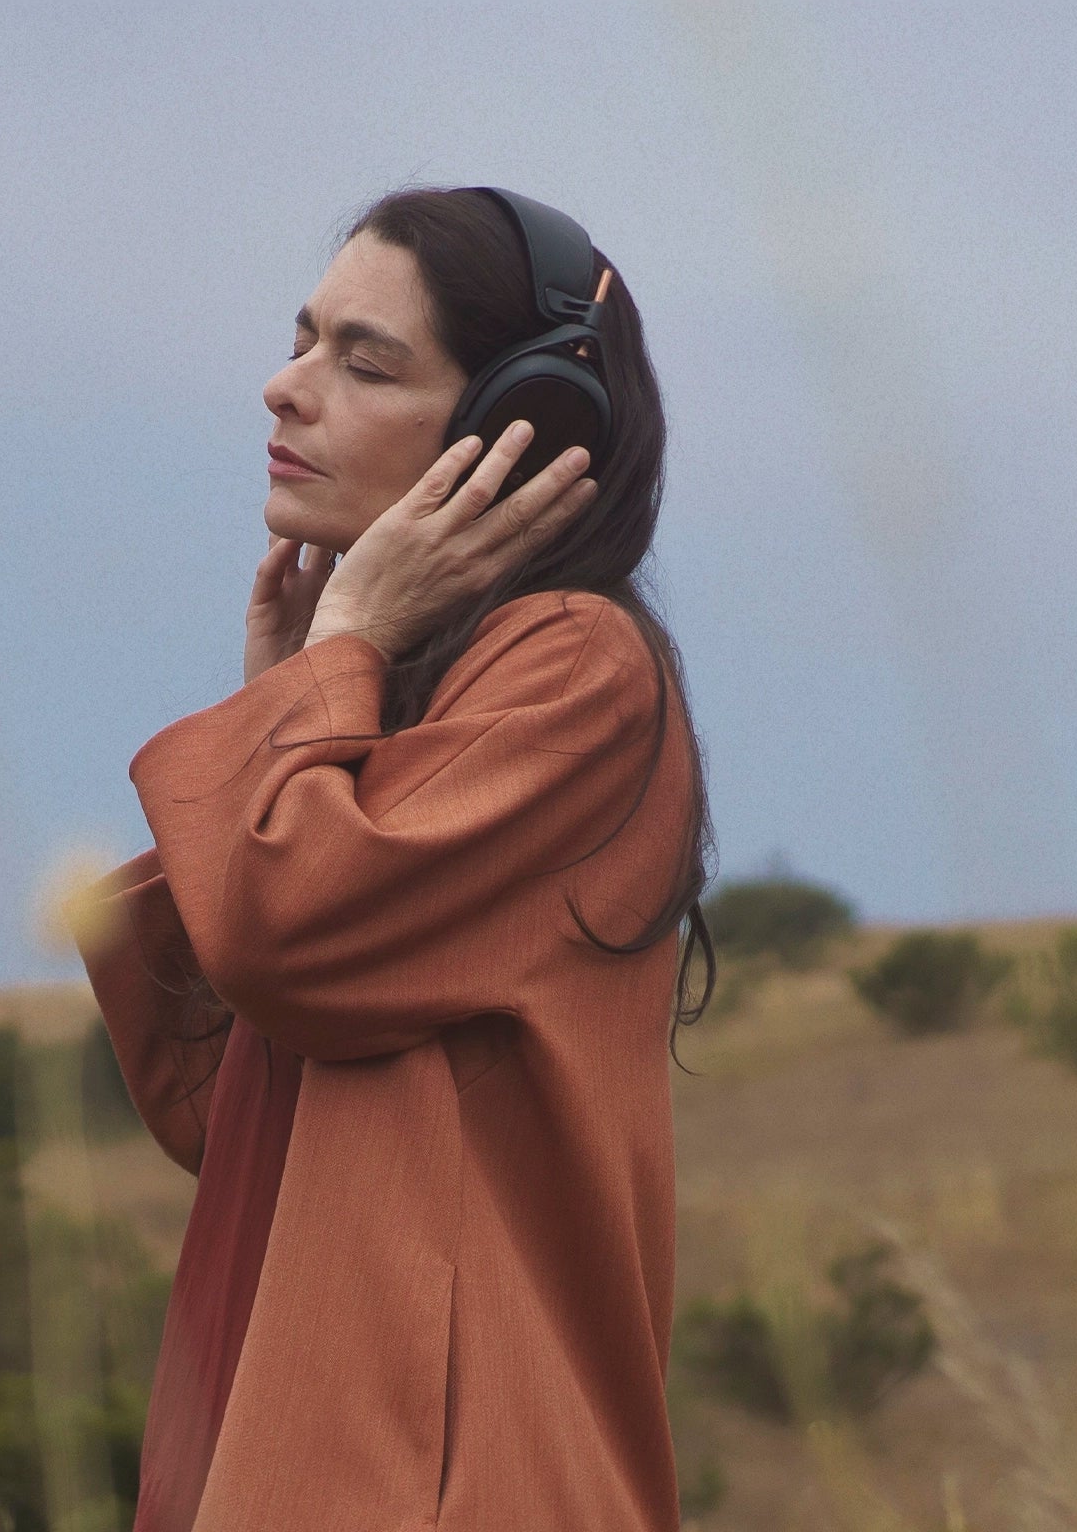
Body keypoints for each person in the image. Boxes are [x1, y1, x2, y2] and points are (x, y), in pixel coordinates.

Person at [75, 186, 717, 1531]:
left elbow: (284, 940)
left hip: (441, 1483)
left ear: (513, 433)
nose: (284, 388)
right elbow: (227, 1103)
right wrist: (305, 706)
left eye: (362, 363)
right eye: (301, 340)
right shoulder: (423, 703)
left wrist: (338, 654)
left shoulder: (573, 671)